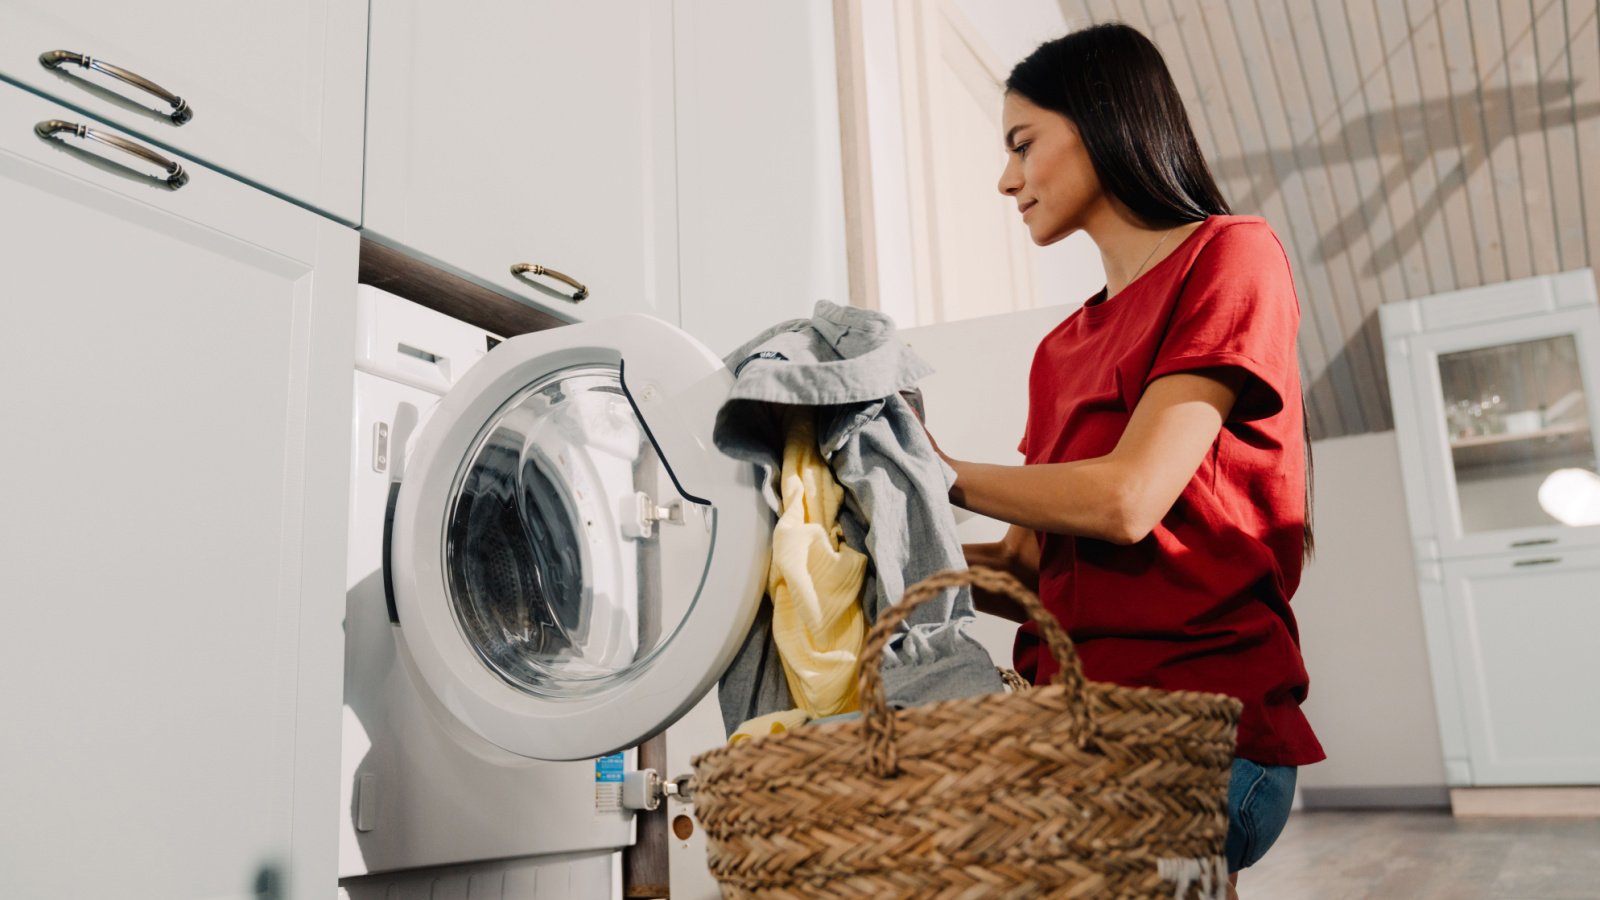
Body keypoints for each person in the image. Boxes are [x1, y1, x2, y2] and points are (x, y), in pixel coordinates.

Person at [929, 22, 1325, 898]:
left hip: (1199, 742)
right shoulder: (1059, 349)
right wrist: (876, 543)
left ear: (1101, 119)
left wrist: (935, 472)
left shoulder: (1231, 254)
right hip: (1070, 733)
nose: (1006, 179)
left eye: (1022, 144)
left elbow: (1129, 500)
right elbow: (1030, 572)